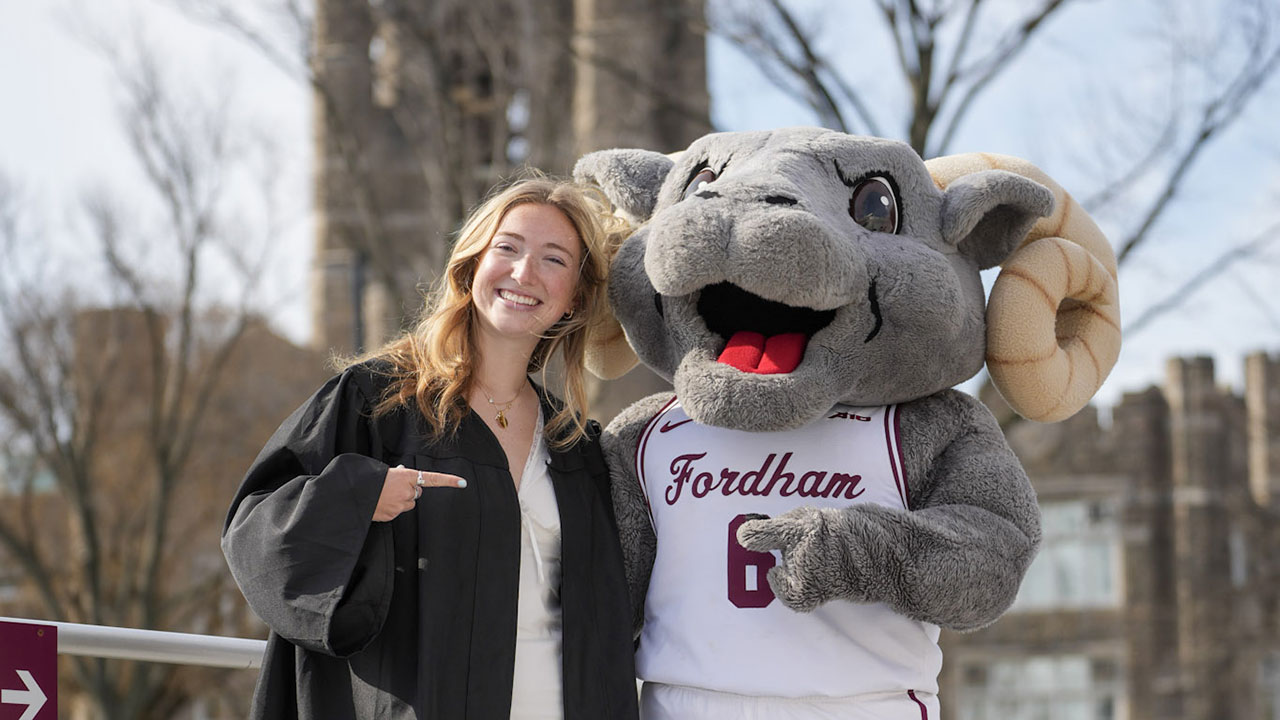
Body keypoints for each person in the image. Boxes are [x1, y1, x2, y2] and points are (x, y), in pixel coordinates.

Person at [222, 176, 639, 720]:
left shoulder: (575, 446)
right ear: (471, 267)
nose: (523, 272)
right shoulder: (379, 401)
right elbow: (255, 530)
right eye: (506, 248)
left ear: (575, 299)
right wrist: (358, 495)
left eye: (554, 259)